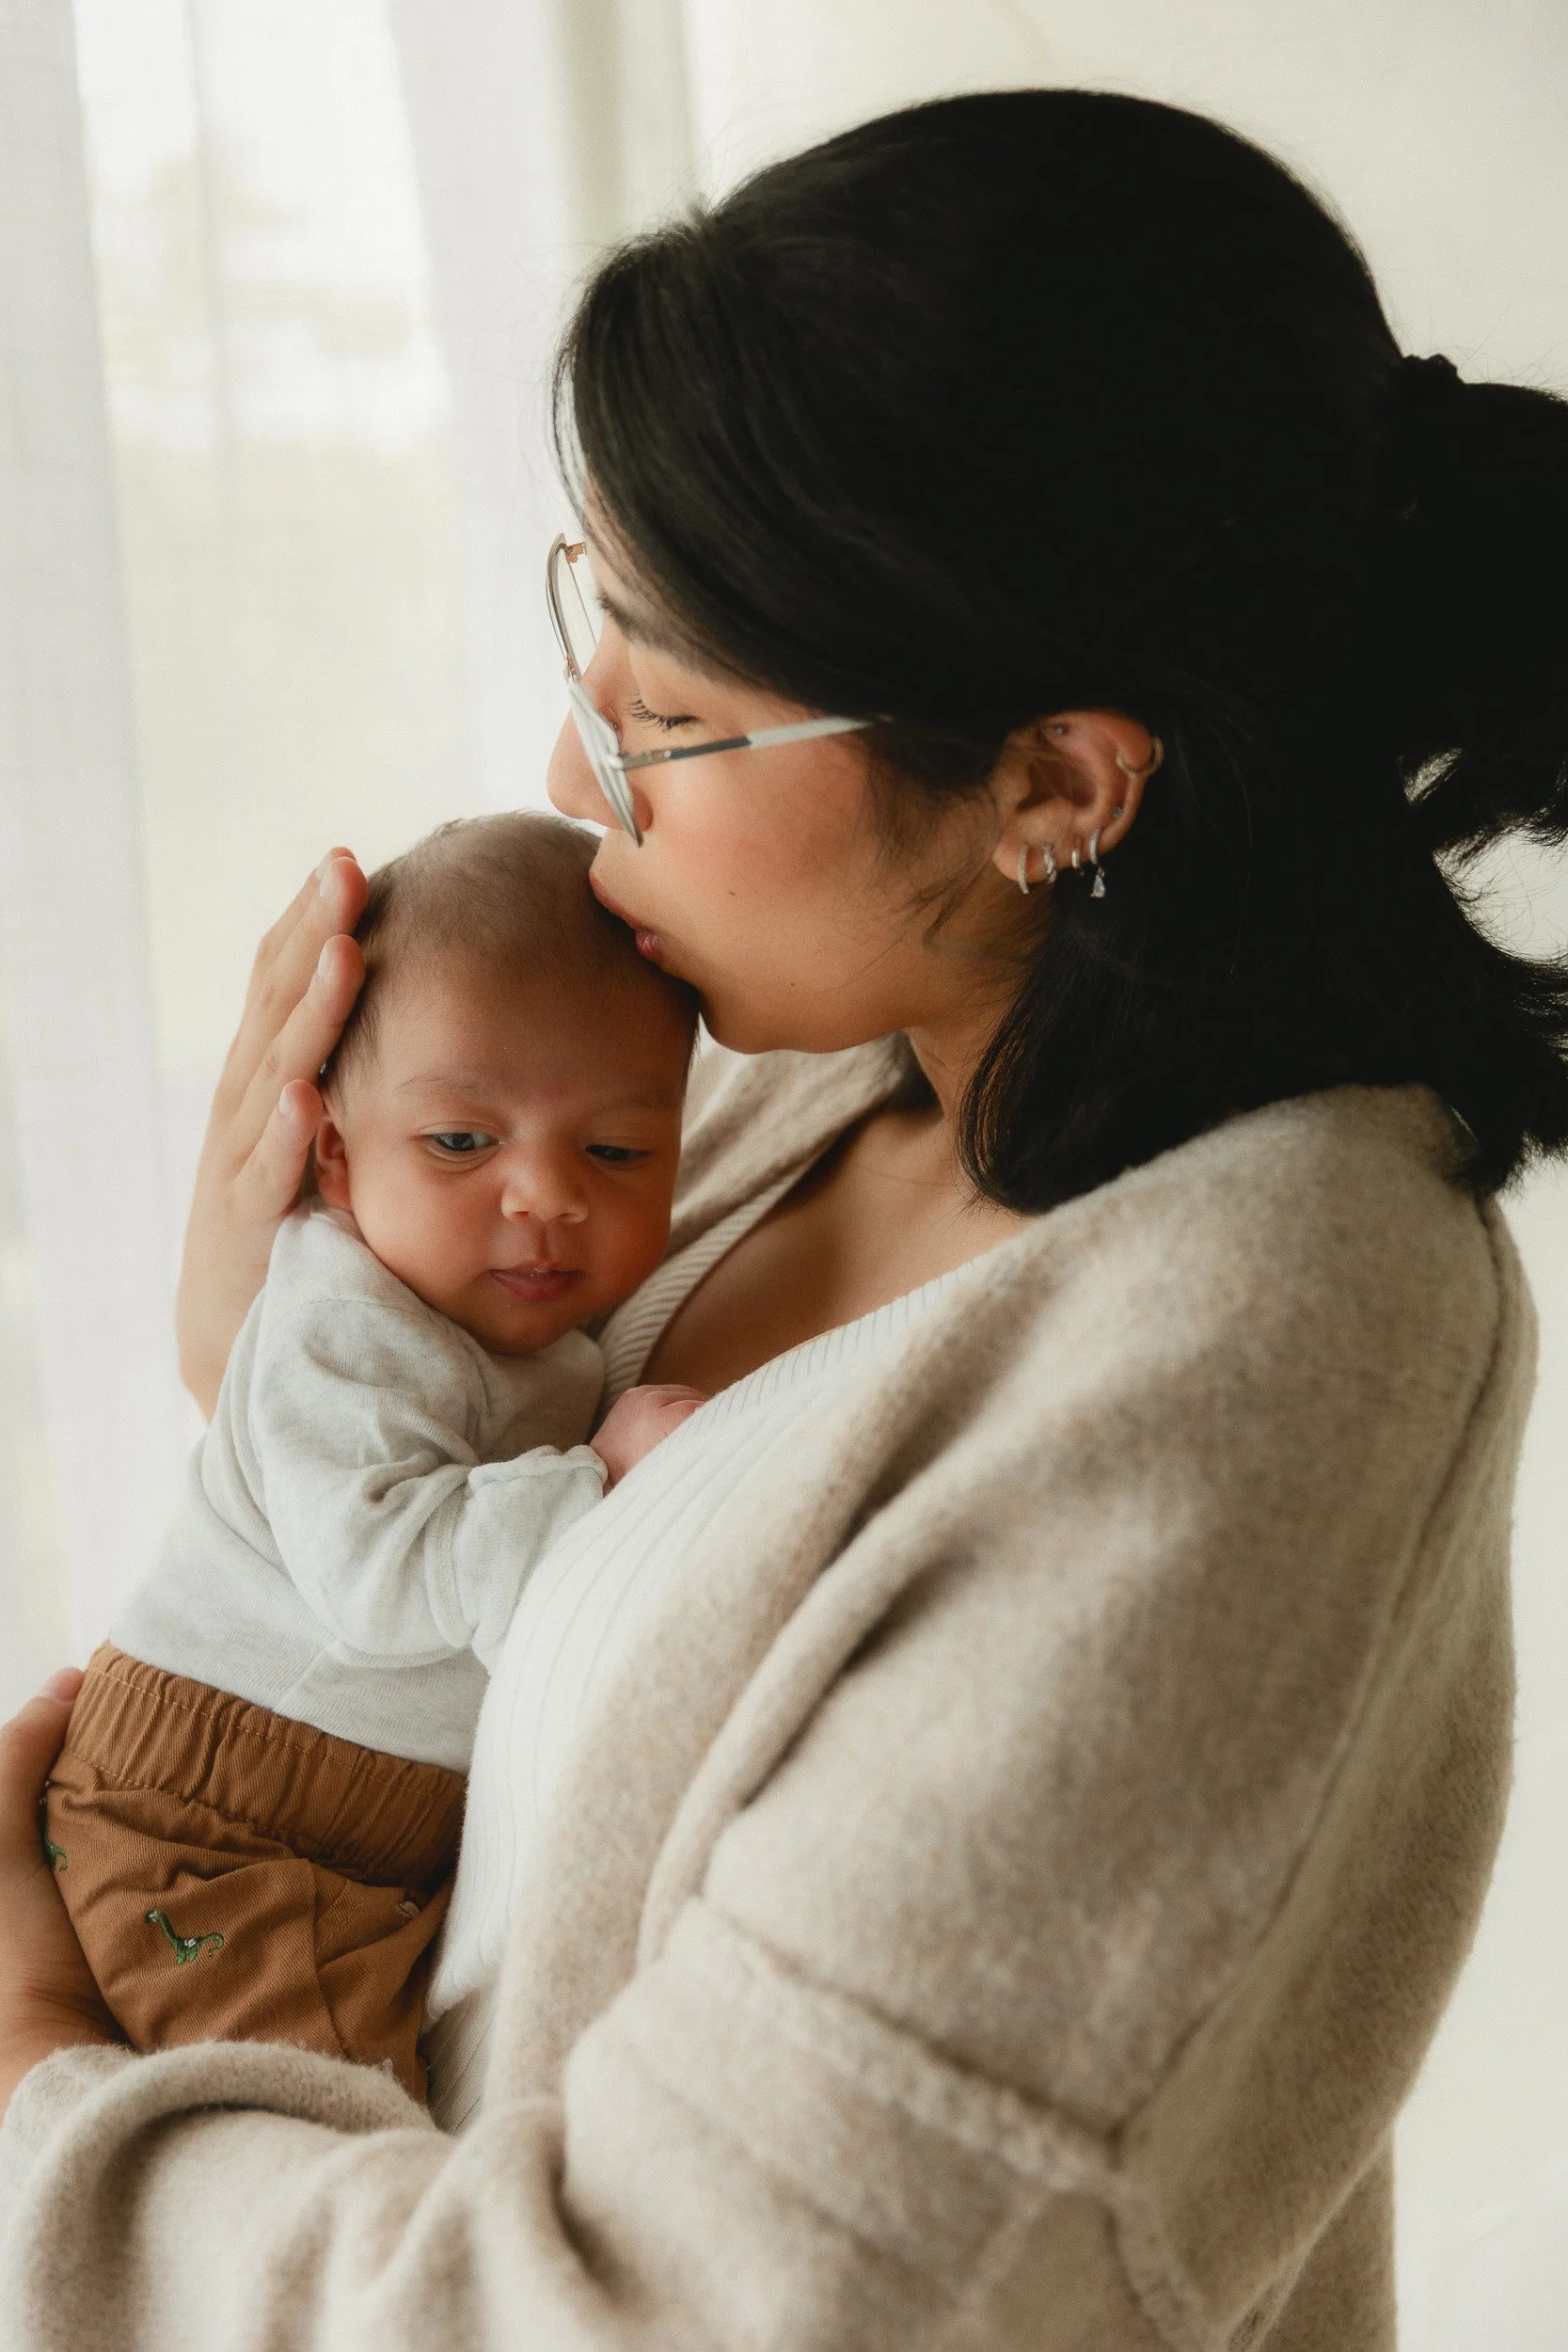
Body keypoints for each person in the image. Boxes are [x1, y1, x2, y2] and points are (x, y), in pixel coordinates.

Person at [1, 86, 1564, 2350]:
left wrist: (46, 2083)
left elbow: (685, 2311)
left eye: (667, 710)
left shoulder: (1264, 1343)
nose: (571, 778)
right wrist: (274, 1336)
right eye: (589, 649)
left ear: (1054, 780)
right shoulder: (823, 1078)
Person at [43, 813, 703, 2104]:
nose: (545, 1198)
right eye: (461, 1143)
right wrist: (600, 1484)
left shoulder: (517, 1327)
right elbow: (381, 1573)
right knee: (325, 2162)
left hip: (340, 1824)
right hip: (221, 1823)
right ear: (333, 1159)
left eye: (617, 1151)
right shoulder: (343, 1325)